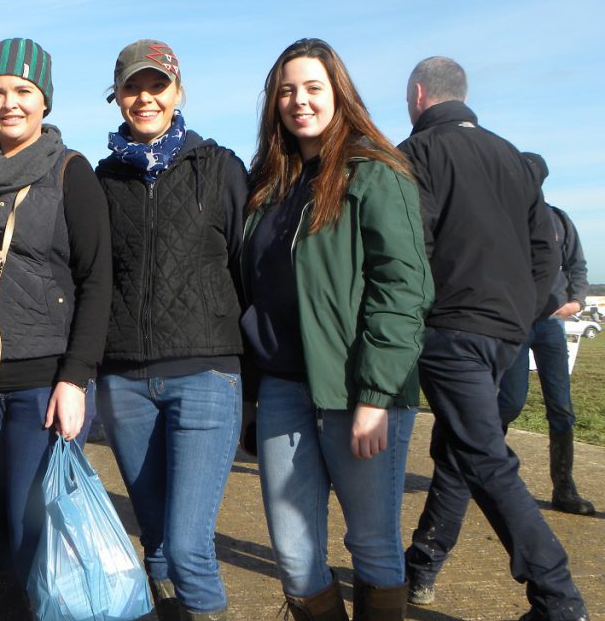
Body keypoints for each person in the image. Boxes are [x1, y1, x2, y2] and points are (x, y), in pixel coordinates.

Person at [241, 38, 432, 621]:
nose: (300, 101)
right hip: (281, 390)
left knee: (372, 544)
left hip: (355, 391)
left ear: (338, 93)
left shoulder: (375, 172)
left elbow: (402, 288)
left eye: (313, 88)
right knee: (295, 556)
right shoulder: (268, 185)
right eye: (288, 90)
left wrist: (376, 396)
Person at [399, 57, 588, 621]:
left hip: (452, 329)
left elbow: (414, 245)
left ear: (418, 94)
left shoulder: (417, 154)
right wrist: (521, 312)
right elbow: (545, 251)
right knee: (461, 448)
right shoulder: (514, 158)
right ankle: (421, 563)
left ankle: (557, 597)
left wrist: (428, 314)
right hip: (508, 332)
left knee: (484, 454)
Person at [0, 37, 111, 620]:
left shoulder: (71, 172)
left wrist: (76, 379)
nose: (9, 103)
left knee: (29, 527)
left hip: (43, 381)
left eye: (22, 91)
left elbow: (97, 281)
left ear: (45, 101)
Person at [94, 39, 245, 621]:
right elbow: (94, 277)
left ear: (178, 92)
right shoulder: (103, 178)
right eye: (133, 87)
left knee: (188, 545)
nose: (145, 97)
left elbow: (246, 266)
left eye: (157, 85)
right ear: (118, 98)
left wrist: (251, 381)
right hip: (125, 381)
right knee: (154, 541)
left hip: (206, 374)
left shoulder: (220, 167)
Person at [498, 153, 594, 515]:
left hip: (552, 324)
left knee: (562, 408)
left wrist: (577, 301)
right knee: (509, 402)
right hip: (516, 325)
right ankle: (488, 468)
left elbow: (577, 266)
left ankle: (564, 489)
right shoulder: (503, 219)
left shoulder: (559, 220)